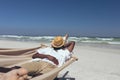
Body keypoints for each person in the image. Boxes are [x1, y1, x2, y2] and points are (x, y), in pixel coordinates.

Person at [0, 34, 75, 78]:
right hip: (38, 62)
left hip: (53, 67)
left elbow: (72, 42)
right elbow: (34, 56)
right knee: (15, 70)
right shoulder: (47, 49)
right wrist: (48, 56)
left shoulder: (65, 52)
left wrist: (62, 45)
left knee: (40, 77)